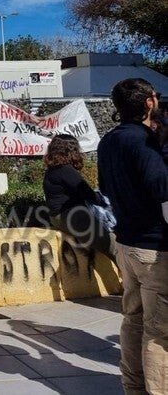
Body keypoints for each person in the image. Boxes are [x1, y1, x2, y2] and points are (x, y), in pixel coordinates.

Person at [98, 78, 167, 395]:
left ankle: (134, 388)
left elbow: (107, 188)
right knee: (159, 332)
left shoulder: (109, 141)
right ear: (150, 102)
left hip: (126, 242)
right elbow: (161, 188)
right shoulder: (143, 142)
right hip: (155, 249)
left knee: (133, 320)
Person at [43, 134, 116, 260]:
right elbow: (88, 194)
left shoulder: (53, 170)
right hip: (72, 216)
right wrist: (106, 202)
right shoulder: (65, 170)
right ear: (72, 151)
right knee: (115, 246)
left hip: (60, 217)